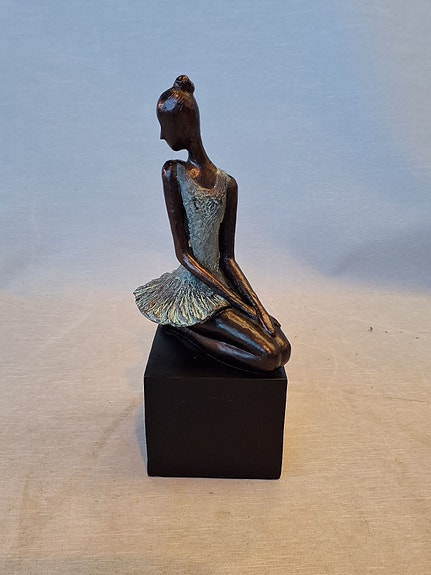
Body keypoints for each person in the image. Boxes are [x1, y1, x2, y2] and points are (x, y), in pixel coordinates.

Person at [134, 75, 290, 372]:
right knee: (269, 356)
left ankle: (203, 323)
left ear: (182, 124)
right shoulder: (173, 173)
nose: (161, 136)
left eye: (164, 125)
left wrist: (257, 307)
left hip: (221, 284)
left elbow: (227, 258)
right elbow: (184, 255)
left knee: (283, 348)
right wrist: (239, 304)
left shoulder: (227, 184)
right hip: (195, 287)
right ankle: (185, 327)